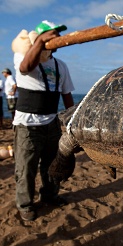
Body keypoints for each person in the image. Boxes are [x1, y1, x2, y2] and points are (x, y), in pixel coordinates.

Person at [13, 20, 75, 221]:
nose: (56, 36)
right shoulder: (23, 56)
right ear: (39, 37)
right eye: (52, 33)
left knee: (51, 165)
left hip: (51, 124)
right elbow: (25, 67)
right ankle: (25, 204)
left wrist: (72, 121)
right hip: (27, 126)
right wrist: (39, 43)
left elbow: (66, 95)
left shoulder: (60, 65)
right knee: (26, 169)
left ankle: (50, 195)